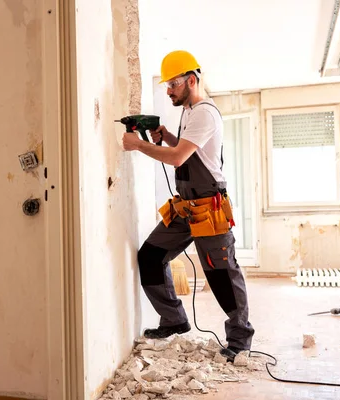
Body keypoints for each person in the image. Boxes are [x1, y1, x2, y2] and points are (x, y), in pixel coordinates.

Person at [122, 50, 255, 360]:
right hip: (186, 207)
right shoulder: (190, 111)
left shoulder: (205, 112)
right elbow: (188, 150)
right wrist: (166, 135)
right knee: (151, 257)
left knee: (222, 275)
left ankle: (239, 340)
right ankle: (174, 319)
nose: (168, 90)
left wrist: (138, 145)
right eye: (168, 85)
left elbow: (179, 158)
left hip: (209, 207)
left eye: (173, 84)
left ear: (191, 81)